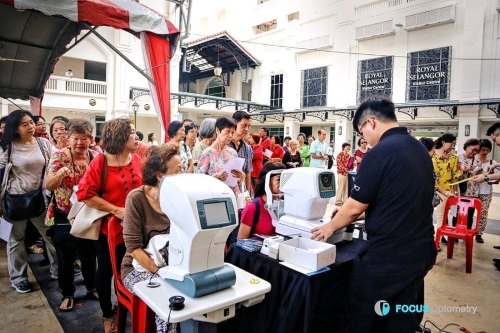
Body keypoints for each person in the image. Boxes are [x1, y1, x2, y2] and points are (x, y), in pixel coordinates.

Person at [310, 99, 437, 333]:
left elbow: (355, 207)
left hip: (389, 257)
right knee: (401, 316)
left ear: (370, 122)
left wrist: (329, 227)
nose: (364, 139)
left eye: (362, 132)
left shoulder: (379, 153)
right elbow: (398, 201)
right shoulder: (419, 149)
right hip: (421, 252)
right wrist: (354, 217)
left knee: (362, 314)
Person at [76, 117, 142, 333]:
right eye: (131, 132)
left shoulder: (137, 159)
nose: (136, 136)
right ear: (119, 137)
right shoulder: (101, 162)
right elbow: (85, 194)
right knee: (106, 272)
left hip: (136, 229)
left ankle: (127, 304)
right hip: (109, 231)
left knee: (134, 269)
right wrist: (115, 209)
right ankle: (107, 314)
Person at [121, 145, 182, 333]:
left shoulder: (179, 198)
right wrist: (159, 272)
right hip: (137, 268)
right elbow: (133, 248)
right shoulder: (136, 199)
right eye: (177, 171)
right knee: (169, 299)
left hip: (173, 264)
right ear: (160, 175)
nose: (183, 175)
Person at [0, 110, 58, 294]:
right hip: (14, 200)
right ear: (15, 128)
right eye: (25, 124)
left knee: (50, 235)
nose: (31, 126)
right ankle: (19, 278)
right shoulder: (8, 147)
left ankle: (58, 269)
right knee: (15, 240)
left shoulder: (43, 143)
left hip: (40, 199)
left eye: (31, 123)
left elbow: (55, 163)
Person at [45, 119, 98, 311]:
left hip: (88, 214)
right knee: (65, 257)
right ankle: (67, 293)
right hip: (64, 215)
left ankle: (92, 287)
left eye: (84, 138)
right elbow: (48, 185)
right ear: (68, 138)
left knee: (89, 254)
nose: (79, 143)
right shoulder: (59, 156)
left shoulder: (94, 156)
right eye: (76, 138)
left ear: (90, 139)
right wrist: (60, 175)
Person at [197, 117, 245, 196]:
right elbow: (199, 180)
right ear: (217, 130)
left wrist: (241, 177)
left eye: (232, 132)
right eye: (227, 131)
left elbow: (236, 180)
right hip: (216, 197)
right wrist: (213, 178)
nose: (230, 135)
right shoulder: (207, 153)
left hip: (233, 196)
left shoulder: (233, 152)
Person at [237, 162, 286, 239]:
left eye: (285, 180)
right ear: (266, 181)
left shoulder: (286, 204)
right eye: (279, 179)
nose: (283, 184)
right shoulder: (252, 207)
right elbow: (241, 240)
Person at [432, 133, 462, 244]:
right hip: (434, 189)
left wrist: (455, 190)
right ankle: (437, 240)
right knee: (437, 216)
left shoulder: (454, 157)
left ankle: (439, 239)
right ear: (443, 142)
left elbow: (456, 176)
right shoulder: (432, 156)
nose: (453, 147)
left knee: (445, 215)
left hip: (448, 191)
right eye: (452, 144)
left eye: (455, 144)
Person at [457, 138, 482, 230]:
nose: (474, 152)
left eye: (477, 151)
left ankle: (466, 234)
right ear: (467, 147)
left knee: (470, 214)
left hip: (472, 192)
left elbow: (479, 175)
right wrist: (468, 170)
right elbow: (455, 172)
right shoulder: (457, 158)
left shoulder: (477, 160)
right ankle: (455, 235)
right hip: (459, 191)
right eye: (473, 150)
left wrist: (480, 173)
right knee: (457, 213)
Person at [475, 139, 496, 243]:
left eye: (487, 150)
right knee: (468, 213)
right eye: (482, 149)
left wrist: (490, 176)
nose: (484, 152)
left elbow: (496, 181)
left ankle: (479, 234)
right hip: (472, 192)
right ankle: (466, 231)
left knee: (483, 214)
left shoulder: (492, 163)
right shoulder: (473, 160)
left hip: (486, 192)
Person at [229, 111, 253, 192]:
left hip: (240, 191)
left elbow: (248, 172)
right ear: (234, 124)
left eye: (248, 126)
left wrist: (247, 192)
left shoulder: (246, 147)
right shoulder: (225, 145)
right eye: (244, 125)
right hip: (226, 190)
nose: (247, 129)